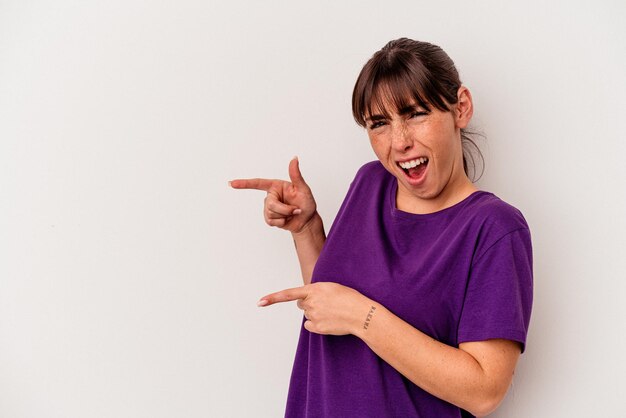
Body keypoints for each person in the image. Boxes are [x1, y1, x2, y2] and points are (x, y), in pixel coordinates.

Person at [230, 38, 533, 418]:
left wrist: (363, 316)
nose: (401, 142)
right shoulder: (370, 184)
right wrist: (306, 228)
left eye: (416, 113)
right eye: (379, 124)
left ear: (461, 108)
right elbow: (331, 309)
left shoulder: (494, 228)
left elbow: (485, 391)